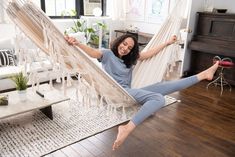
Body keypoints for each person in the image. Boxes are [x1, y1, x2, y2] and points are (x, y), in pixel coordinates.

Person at [65, 34, 219, 150]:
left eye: (129, 47)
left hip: (129, 92)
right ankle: (127, 127)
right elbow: (92, 52)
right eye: (124, 44)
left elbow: (149, 54)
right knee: (159, 99)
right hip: (117, 94)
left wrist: (167, 43)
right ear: (119, 42)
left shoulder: (129, 59)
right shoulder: (107, 54)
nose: (125, 48)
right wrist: (77, 44)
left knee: (167, 85)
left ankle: (203, 75)